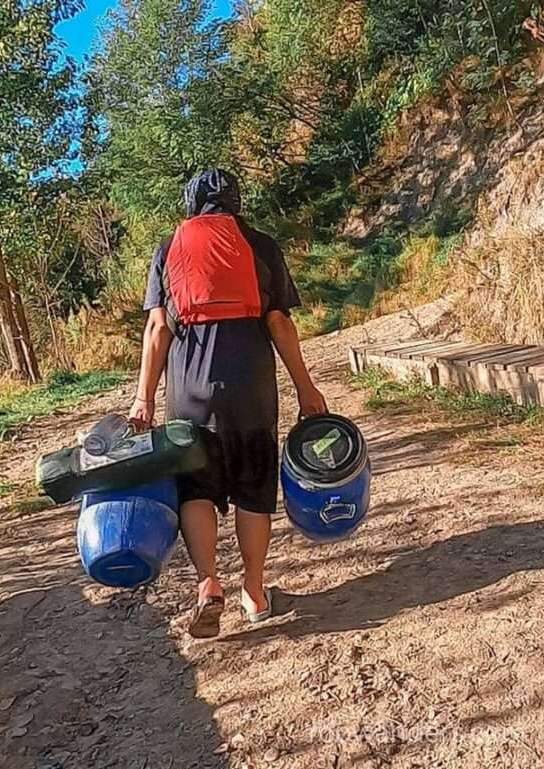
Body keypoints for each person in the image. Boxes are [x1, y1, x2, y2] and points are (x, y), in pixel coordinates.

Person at [129, 168, 327, 638]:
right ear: (236, 201)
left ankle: (207, 584)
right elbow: (279, 323)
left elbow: (158, 329)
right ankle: (255, 594)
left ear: (191, 203)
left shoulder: (169, 248)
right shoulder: (260, 245)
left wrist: (144, 399)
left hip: (190, 388)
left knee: (197, 488)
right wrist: (306, 387)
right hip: (251, 387)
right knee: (254, 489)